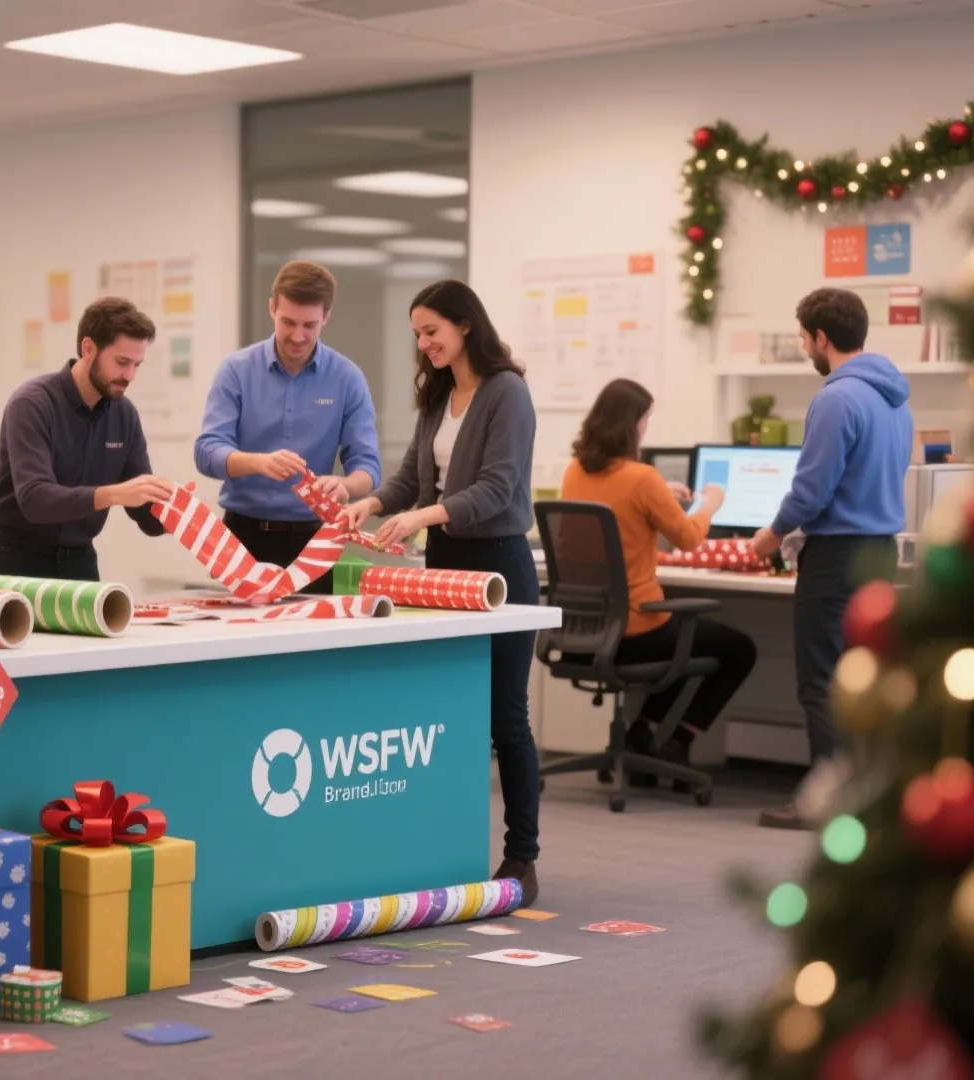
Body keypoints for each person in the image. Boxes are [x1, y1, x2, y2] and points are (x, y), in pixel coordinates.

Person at [342, 279, 542, 902]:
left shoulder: (508, 392)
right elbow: (411, 478)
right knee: (453, 712)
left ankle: (521, 859)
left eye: (432, 331)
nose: (424, 344)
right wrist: (370, 503)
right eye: (418, 335)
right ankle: (449, 848)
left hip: (500, 567)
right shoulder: (437, 395)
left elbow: (497, 488)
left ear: (466, 326)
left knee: (506, 718)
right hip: (447, 568)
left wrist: (422, 517)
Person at [748, 288, 912, 830]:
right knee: (860, 679)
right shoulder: (894, 398)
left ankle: (825, 801)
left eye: (803, 339)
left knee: (821, 682)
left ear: (823, 337)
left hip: (837, 555)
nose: (805, 350)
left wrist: (768, 538)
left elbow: (810, 491)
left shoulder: (837, 398)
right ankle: (863, 795)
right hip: (879, 553)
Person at [559, 379, 758, 784]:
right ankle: (678, 741)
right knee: (737, 649)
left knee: (687, 641)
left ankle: (640, 735)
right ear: (632, 424)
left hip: (586, 631)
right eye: (646, 419)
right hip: (635, 629)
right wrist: (710, 504)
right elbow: (688, 538)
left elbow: (617, 502)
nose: (646, 427)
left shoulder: (575, 471)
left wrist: (660, 494)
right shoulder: (641, 478)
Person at [195, 261, 381, 593]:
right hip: (241, 539)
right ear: (272, 308)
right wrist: (258, 463)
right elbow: (207, 452)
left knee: (312, 641)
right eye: (288, 322)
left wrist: (345, 486)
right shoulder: (235, 371)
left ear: (326, 316)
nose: (298, 336)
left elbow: (368, 467)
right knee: (238, 642)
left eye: (309, 325)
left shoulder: (347, 378)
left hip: (314, 542)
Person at [0, 297, 172, 581]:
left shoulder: (124, 414)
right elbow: (35, 499)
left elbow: (146, 516)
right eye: (121, 362)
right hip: (15, 561)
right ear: (89, 348)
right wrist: (115, 494)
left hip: (79, 563)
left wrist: (176, 511)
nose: (129, 376)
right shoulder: (32, 403)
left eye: (137, 365)